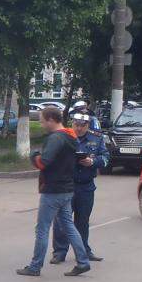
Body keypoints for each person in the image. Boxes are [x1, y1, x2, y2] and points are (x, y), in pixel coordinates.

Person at [17, 106, 91, 278]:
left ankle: (35, 266)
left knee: (42, 229)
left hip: (53, 190)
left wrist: (33, 156)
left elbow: (44, 162)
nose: (42, 124)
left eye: (42, 121)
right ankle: (83, 262)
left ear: (51, 120)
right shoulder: (70, 136)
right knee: (68, 226)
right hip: (66, 188)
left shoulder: (56, 138)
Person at [51, 109, 107, 264]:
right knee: (62, 221)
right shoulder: (64, 138)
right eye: (76, 124)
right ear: (72, 123)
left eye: (82, 125)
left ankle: (83, 252)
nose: (79, 128)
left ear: (88, 124)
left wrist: (93, 162)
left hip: (86, 186)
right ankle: (59, 252)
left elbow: (106, 158)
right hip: (67, 186)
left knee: (82, 221)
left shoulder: (97, 138)